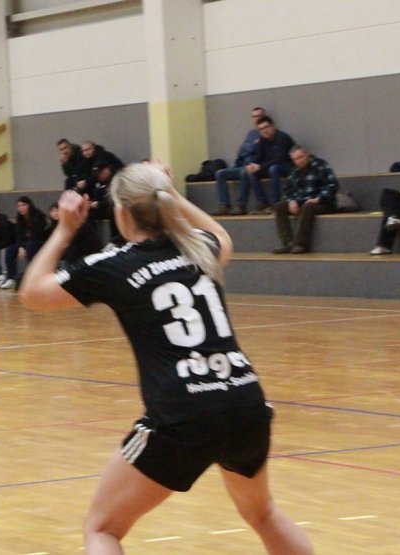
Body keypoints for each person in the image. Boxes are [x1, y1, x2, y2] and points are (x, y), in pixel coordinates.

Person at [18, 161, 313, 555]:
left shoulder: (114, 265)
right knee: (263, 513)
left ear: (123, 213)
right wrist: (169, 190)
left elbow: (32, 293)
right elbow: (221, 235)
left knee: (102, 528)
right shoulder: (198, 248)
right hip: (245, 401)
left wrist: (64, 230)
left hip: (183, 415)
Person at [272, 146, 338, 254]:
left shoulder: (320, 165)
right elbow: (287, 190)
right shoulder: (294, 171)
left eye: (300, 157)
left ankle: (300, 244)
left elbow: (332, 185)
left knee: (308, 207)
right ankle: (288, 243)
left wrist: (318, 199)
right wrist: (291, 201)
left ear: (306, 154)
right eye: (295, 159)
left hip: (323, 202)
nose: (299, 161)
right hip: (301, 202)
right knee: (279, 206)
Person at [214, 107, 267, 215]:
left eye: (259, 116)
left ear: (264, 117)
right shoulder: (251, 133)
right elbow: (241, 151)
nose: (256, 118)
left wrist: (249, 148)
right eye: (254, 116)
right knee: (220, 173)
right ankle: (224, 205)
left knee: (245, 172)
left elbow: (258, 150)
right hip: (241, 165)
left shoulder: (265, 133)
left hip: (254, 167)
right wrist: (251, 147)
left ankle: (241, 205)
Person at [240, 116, 295, 215]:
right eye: (261, 129)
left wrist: (260, 167)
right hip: (269, 167)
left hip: (288, 166)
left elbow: (280, 158)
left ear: (272, 126)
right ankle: (264, 203)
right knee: (250, 172)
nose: (264, 131)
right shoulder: (262, 141)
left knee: (274, 169)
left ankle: (275, 203)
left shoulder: (283, 138)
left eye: (266, 127)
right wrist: (252, 166)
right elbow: (258, 157)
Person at [2, 195, 47, 289]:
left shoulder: (38, 216)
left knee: (30, 246)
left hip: (39, 242)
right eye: (19, 206)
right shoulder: (20, 219)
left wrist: (24, 245)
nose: (21, 208)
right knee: (9, 250)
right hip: (26, 243)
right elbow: (18, 235)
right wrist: (21, 247)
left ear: (29, 205)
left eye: (23, 205)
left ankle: (33, 277)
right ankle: (10, 278)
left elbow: (36, 235)